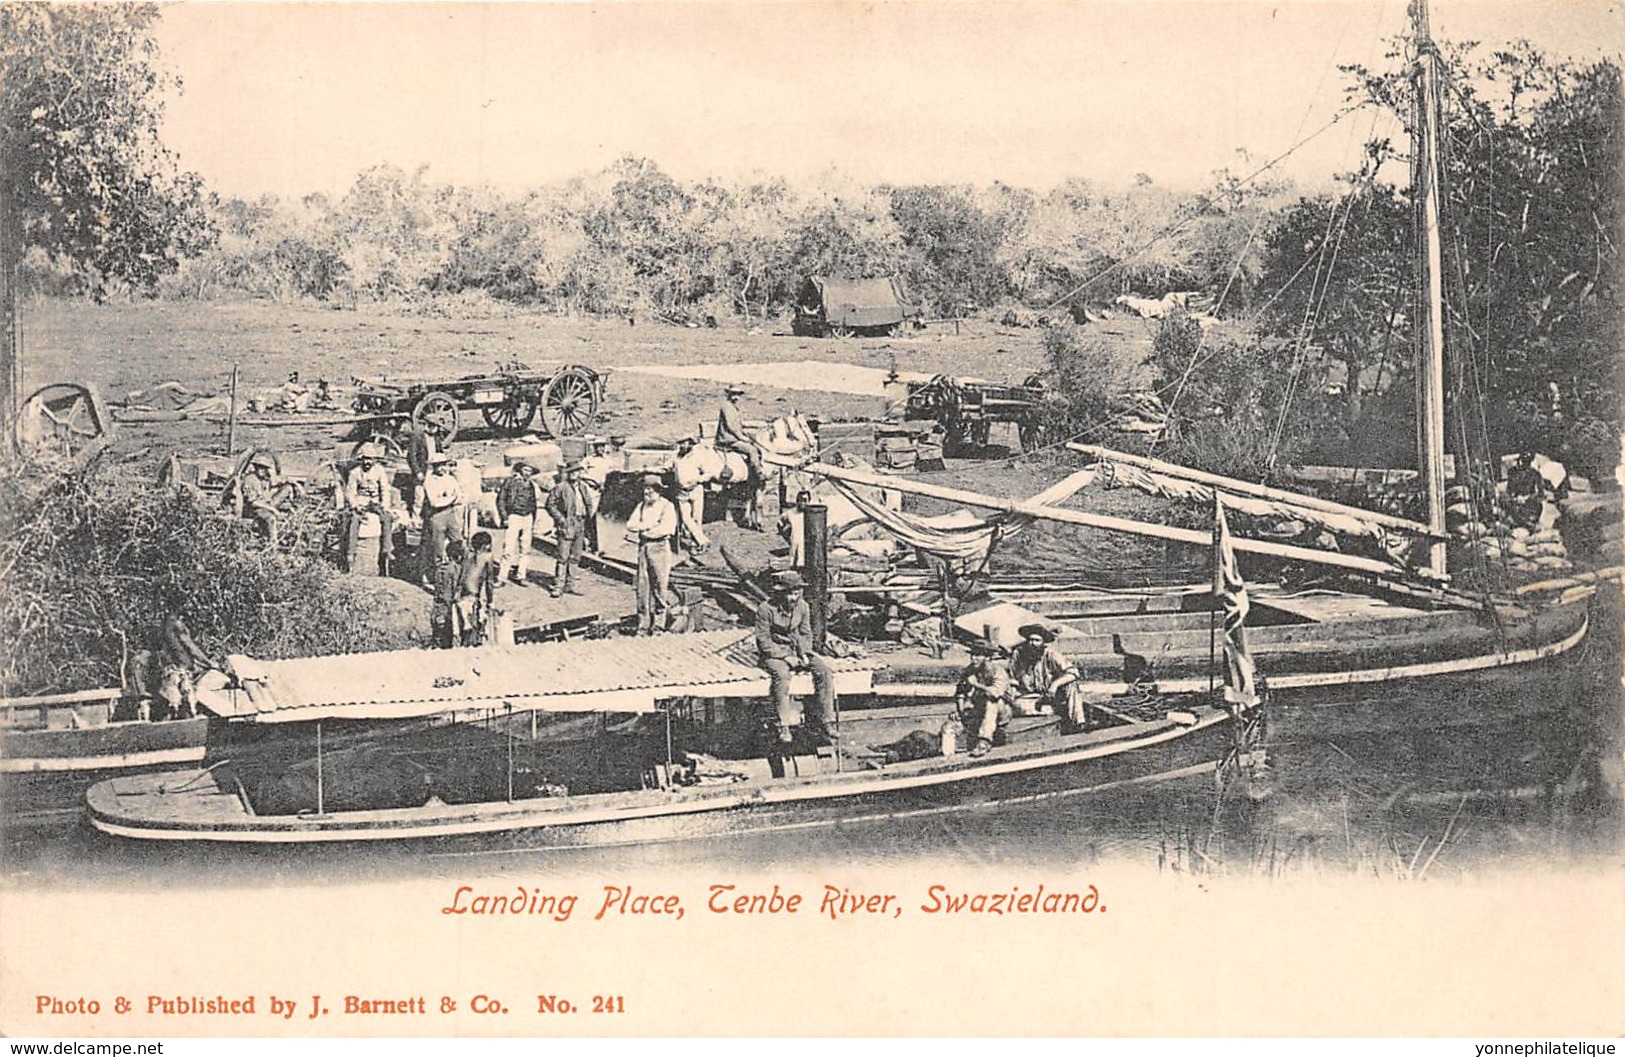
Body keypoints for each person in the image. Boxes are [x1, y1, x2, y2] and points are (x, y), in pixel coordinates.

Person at [754, 570, 835, 746]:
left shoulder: (803, 606)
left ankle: (827, 720)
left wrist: (805, 653)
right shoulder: (765, 609)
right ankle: (783, 724)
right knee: (782, 676)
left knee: (824, 671)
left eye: (797, 593)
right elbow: (763, 640)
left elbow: (806, 634)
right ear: (780, 593)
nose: (793, 597)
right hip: (774, 652)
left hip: (797, 649)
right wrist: (785, 656)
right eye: (790, 593)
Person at [624, 474, 677, 635]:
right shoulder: (641, 506)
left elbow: (667, 529)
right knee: (642, 586)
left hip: (660, 547)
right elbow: (630, 524)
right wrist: (647, 526)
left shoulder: (667, 506)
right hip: (643, 548)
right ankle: (643, 624)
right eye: (645, 489)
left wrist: (646, 530)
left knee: (660, 587)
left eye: (650, 489)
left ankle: (659, 624)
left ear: (658, 491)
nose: (647, 492)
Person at [1008, 622, 1088, 730]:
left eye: (1037, 640)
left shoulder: (1051, 654)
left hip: (1051, 694)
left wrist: (1055, 685)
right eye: (1030, 640)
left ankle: (1078, 723)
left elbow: (1073, 673)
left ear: (1043, 642)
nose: (1032, 643)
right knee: (1016, 706)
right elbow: (1013, 678)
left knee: (1071, 685)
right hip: (1029, 696)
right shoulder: (1019, 654)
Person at [342, 442, 398, 574]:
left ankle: (387, 549)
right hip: (361, 502)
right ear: (361, 459)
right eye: (365, 459)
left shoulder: (380, 471)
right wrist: (355, 505)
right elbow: (350, 492)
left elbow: (385, 489)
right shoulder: (355, 473)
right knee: (354, 520)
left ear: (374, 460)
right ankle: (351, 553)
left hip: (375, 502)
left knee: (387, 518)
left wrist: (385, 505)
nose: (367, 462)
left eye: (370, 459)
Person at [155, 608, 218, 721]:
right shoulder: (177, 625)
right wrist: (208, 662)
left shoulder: (163, 627)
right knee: (189, 705)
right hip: (181, 671)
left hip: (169, 670)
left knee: (172, 706)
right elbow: (190, 646)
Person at [956, 639, 1011, 758]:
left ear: (987, 657)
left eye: (978, 655)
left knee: (992, 701)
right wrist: (960, 711)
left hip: (1002, 711)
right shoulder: (969, 670)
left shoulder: (997, 671)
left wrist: (976, 685)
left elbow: (996, 693)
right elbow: (960, 693)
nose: (973, 658)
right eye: (972, 654)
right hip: (980, 709)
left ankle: (984, 741)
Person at [546, 460, 591, 597]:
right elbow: (550, 504)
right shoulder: (561, 487)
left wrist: (587, 520)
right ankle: (559, 586)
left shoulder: (583, 487)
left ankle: (570, 585)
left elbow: (588, 503)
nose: (574, 474)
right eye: (571, 472)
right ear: (568, 473)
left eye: (577, 471)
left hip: (580, 523)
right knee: (563, 556)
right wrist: (561, 519)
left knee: (576, 556)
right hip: (567, 523)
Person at [418, 451, 464, 583]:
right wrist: (451, 498)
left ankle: (457, 575)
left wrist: (448, 499)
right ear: (434, 466)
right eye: (439, 465)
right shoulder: (429, 481)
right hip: (436, 516)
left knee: (459, 543)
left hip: (450, 514)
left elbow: (459, 497)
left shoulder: (450, 479)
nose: (443, 468)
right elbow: (435, 502)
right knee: (437, 549)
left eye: (444, 465)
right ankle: (439, 580)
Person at [496, 461, 541, 586]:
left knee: (525, 548)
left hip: (527, 517)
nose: (528, 473)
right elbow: (501, 499)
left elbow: (533, 504)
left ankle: (521, 575)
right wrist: (504, 517)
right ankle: (502, 577)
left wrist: (533, 519)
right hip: (514, 516)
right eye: (526, 470)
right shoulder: (510, 482)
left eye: (530, 471)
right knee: (508, 548)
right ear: (520, 470)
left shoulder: (531, 485)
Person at [239, 453, 295, 543]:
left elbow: (281, 481)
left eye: (264, 468)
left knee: (287, 488)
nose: (262, 470)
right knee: (271, 518)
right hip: (255, 508)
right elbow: (253, 502)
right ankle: (273, 543)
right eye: (260, 467)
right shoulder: (249, 480)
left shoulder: (265, 478)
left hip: (266, 504)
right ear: (256, 467)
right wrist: (273, 509)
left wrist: (294, 486)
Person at [715, 384, 762, 482]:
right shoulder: (727, 407)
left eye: (738, 395)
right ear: (729, 395)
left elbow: (738, 424)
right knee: (752, 450)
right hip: (728, 439)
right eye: (734, 394)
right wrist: (742, 437)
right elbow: (731, 426)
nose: (736, 397)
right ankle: (758, 474)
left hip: (733, 437)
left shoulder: (733, 407)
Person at [458, 531, 498, 646]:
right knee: (475, 631)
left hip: (462, 594)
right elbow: (489, 583)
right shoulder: (487, 556)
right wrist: (490, 602)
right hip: (473, 597)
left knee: (463, 631)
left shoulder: (468, 555)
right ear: (487, 545)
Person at [578, 438, 614, 553]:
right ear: (594, 448)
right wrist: (592, 482)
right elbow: (581, 474)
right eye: (598, 446)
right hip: (590, 489)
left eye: (602, 446)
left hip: (603, 491)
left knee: (600, 517)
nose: (601, 449)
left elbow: (613, 475)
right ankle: (586, 540)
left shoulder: (608, 461)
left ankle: (598, 543)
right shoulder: (588, 460)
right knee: (588, 514)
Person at [429, 539, 466, 649]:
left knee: (438, 637)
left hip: (438, 607)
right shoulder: (455, 568)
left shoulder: (441, 568)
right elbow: (454, 588)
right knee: (448, 639)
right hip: (448, 607)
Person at [404, 419, 437, 513]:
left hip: (433, 469)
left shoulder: (436, 437)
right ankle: (415, 518)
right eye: (431, 425)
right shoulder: (417, 437)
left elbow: (439, 451)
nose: (433, 428)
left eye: (435, 426)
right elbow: (411, 457)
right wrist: (417, 471)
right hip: (423, 470)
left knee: (432, 495)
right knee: (419, 496)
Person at [778, 489, 813, 568]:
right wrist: (787, 537)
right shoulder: (790, 513)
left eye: (805, 500)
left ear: (809, 501)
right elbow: (780, 523)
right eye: (799, 500)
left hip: (808, 549)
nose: (802, 503)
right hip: (794, 546)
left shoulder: (812, 514)